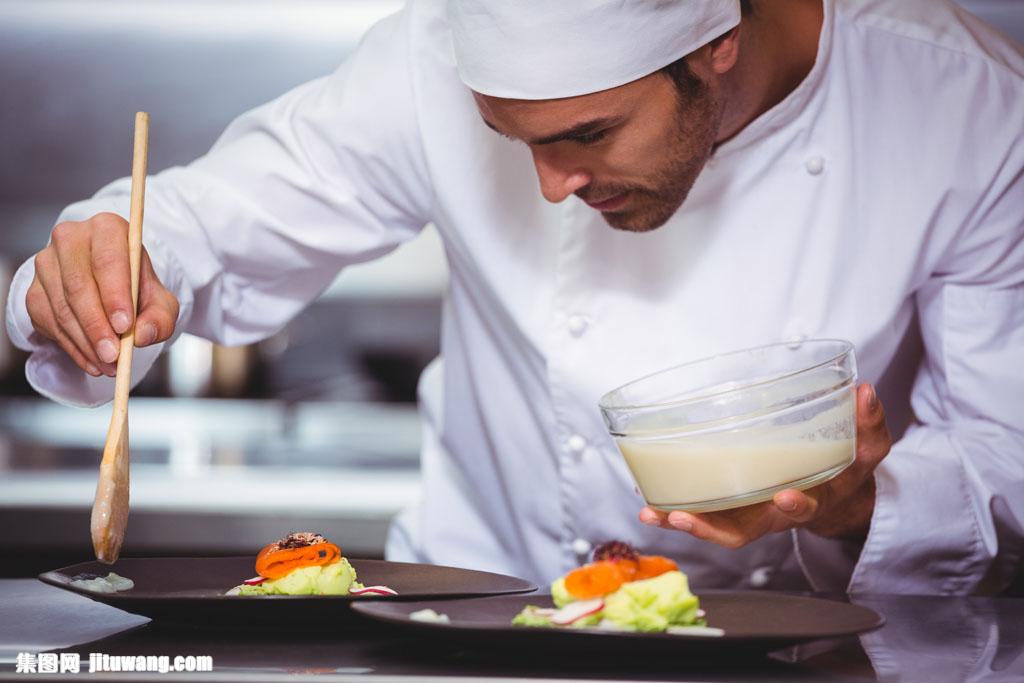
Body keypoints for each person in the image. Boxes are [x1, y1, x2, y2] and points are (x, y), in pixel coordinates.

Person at [6, 0, 1023, 594]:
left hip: (797, 650)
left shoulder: (963, 105)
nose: (549, 188)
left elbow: (1007, 460)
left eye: (585, 135)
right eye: (512, 138)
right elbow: (201, 220)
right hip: (472, 622)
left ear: (716, 42)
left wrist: (859, 504)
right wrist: (113, 262)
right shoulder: (423, 62)